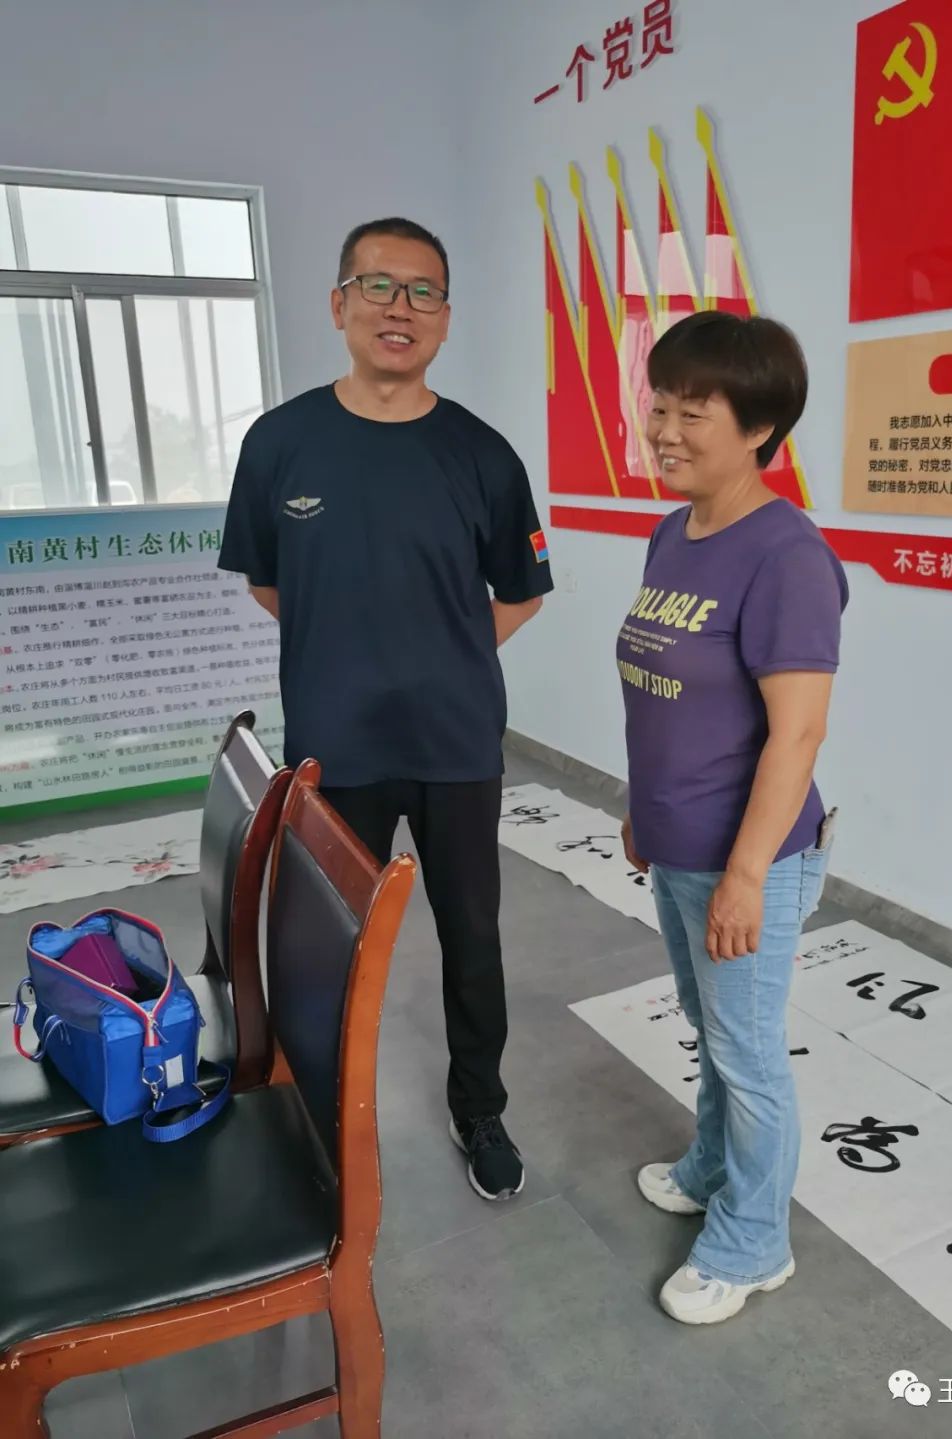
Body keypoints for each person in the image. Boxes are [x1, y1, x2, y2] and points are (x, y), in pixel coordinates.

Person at [218, 217, 553, 1200]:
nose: (400, 308)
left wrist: (441, 657)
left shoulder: (482, 454)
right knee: (325, 944)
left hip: (456, 744)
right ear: (339, 305)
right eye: (379, 286)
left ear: (446, 318)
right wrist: (350, 656)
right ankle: (320, 1111)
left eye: (423, 291)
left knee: (472, 938)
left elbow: (521, 591)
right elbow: (269, 583)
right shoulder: (280, 444)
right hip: (336, 745)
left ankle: (478, 1104)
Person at [617, 310, 848, 1324]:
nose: (664, 429)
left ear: (759, 429)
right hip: (678, 842)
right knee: (711, 1026)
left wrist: (748, 875)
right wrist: (640, 807)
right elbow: (662, 692)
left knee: (749, 1054)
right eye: (660, 405)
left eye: (692, 412)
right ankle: (712, 1164)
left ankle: (755, 1242)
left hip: (750, 856)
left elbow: (797, 735)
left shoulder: (786, 555)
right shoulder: (674, 532)